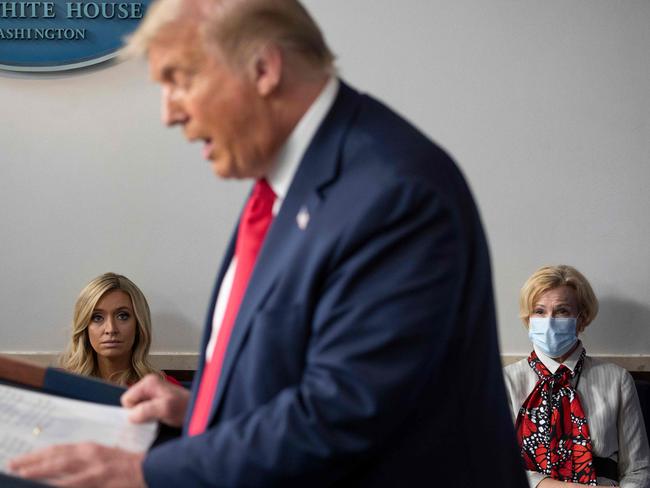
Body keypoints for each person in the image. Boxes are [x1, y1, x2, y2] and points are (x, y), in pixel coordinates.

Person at [9, 0, 526, 486]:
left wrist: (147, 473)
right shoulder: (285, 188)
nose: (168, 113)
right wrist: (203, 413)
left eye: (179, 80)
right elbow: (301, 374)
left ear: (263, 68)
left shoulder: (394, 192)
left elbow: (342, 416)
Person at [503, 265, 650, 488]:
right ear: (528, 319)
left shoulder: (617, 380)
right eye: (540, 311)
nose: (550, 321)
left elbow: (638, 469)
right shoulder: (506, 381)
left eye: (562, 311)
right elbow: (496, 464)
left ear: (582, 319)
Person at [60, 272, 180, 387]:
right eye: (97, 318)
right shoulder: (62, 385)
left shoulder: (164, 389)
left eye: (122, 316)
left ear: (138, 324)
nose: (111, 329)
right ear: (85, 326)